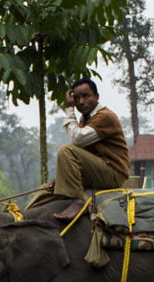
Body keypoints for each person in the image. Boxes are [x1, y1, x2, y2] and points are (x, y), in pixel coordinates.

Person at [29, 78, 132, 220]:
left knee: (66, 150)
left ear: (96, 97)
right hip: (95, 171)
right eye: (76, 98)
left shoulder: (105, 117)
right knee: (46, 190)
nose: (81, 102)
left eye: (86, 96)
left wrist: (70, 108)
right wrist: (63, 177)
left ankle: (78, 201)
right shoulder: (85, 119)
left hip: (113, 173)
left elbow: (76, 139)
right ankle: (24, 216)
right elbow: (84, 151)